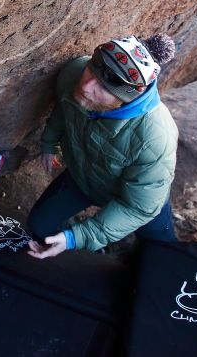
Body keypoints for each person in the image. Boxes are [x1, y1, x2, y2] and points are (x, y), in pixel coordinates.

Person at [27, 34, 179, 259]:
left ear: (126, 97)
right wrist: (50, 142)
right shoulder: (74, 74)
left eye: (104, 87)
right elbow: (64, 108)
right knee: (39, 227)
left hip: (136, 198)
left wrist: (77, 237)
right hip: (82, 178)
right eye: (92, 70)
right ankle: (86, 258)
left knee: (162, 248)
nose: (87, 86)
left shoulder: (155, 138)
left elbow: (138, 208)